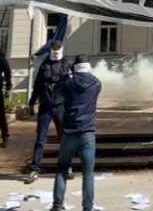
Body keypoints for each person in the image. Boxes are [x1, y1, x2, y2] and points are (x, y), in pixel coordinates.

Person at [52, 54, 102, 211]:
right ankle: (88, 207)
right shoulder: (96, 84)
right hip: (87, 132)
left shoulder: (68, 83)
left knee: (62, 169)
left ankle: (57, 205)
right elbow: (91, 80)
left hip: (69, 131)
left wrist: (67, 75)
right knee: (88, 172)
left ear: (75, 67)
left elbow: (56, 93)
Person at [25, 40, 68, 184]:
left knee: (64, 138)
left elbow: (71, 86)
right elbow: (37, 85)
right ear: (50, 51)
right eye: (54, 52)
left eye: (58, 52)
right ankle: (35, 168)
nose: (56, 55)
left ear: (61, 50)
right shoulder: (44, 65)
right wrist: (31, 103)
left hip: (60, 106)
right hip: (45, 106)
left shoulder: (66, 65)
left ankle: (65, 167)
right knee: (40, 139)